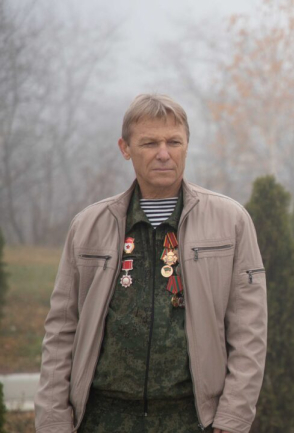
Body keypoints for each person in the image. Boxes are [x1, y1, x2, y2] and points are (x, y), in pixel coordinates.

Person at [35, 94, 267, 433]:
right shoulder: (88, 227)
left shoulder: (230, 222)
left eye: (174, 142)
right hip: (101, 419)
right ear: (125, 148)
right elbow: (61, 331)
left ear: (187, 146)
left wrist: (232, 419)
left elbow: (249, 330)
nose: (163, 153)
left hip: (193, 420)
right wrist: (54, 421)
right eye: (149, 143)